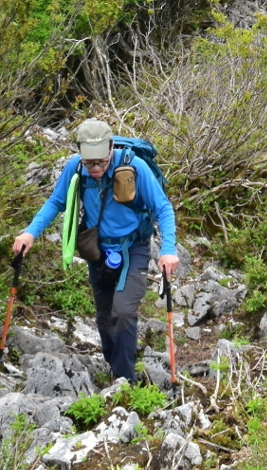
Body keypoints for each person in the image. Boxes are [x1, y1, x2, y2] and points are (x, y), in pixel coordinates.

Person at [12, 119, 179, 384]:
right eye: (90, 163)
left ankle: (126, 383)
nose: (96, 169)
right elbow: (56, 201)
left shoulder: (135, 166)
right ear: (80, 154)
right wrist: (30, 232)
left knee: (123, 312)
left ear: (111, 147)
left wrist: (168, 249)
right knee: (104, 317)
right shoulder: (75, 167)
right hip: (97, 251)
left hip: (132, 248)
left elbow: (163, 208)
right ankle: (115, 368)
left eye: (101, 162)